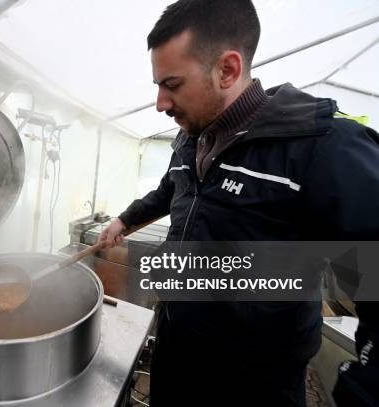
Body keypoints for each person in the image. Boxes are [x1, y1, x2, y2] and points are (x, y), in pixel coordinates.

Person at [98, 1, 379, 406]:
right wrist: (125, 219)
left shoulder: (319, 150)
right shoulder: (191, 138)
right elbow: (170, 190)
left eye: (172, 85)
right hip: (177, 356)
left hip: (251, 386)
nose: (160, 103)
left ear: (227, 70)